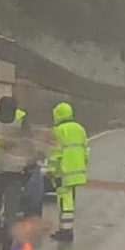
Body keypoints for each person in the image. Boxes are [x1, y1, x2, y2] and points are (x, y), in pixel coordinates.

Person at [0, 96, 34, 250]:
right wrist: (27, 169)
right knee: (10, 214)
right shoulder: (20, 125)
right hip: (15, 174)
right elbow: (29, 147)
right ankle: (6, 246)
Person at [49, 102, 89, 242]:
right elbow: (86, 149)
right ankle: (66, 229)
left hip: (63, 171)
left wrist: (51, 170)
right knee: (70, 199)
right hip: (77, 171)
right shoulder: (80, 129)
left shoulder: (58, 130)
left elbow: (55, 153)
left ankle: (66, 231)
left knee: (64, 201)